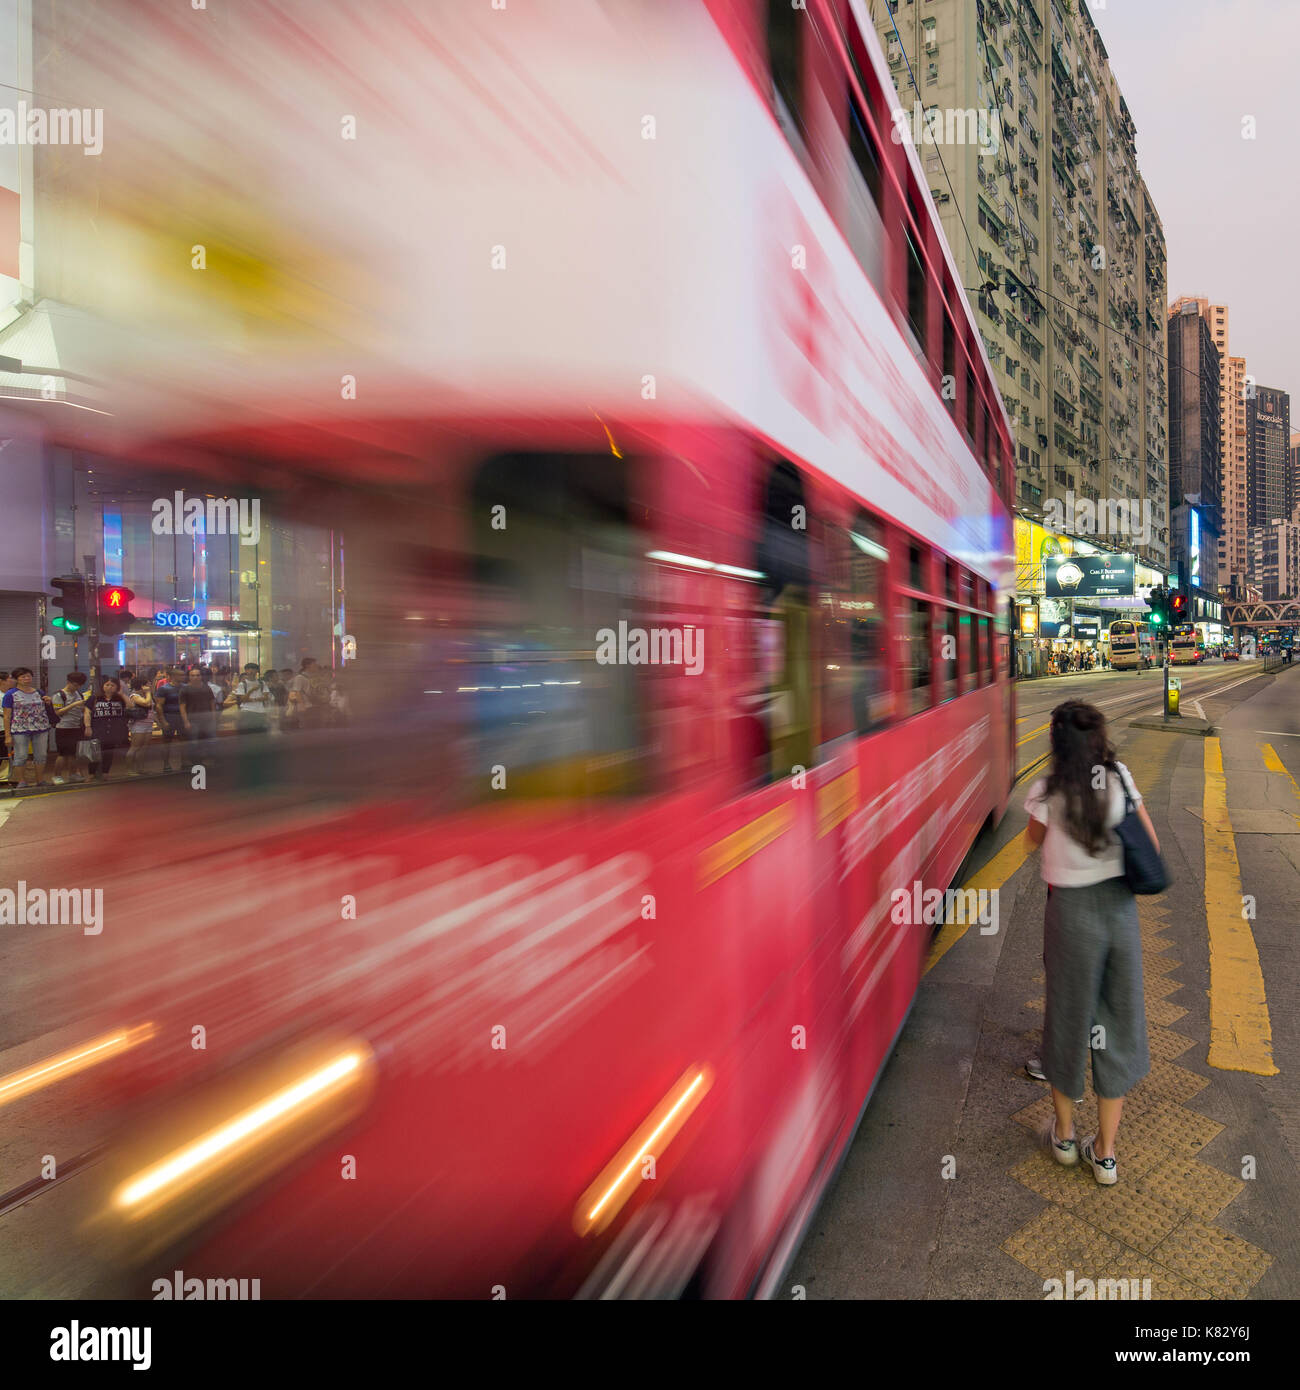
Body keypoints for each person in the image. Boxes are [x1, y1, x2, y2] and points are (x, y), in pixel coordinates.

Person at [1022, 700, 1156, 1185]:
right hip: (1119, 914)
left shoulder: (1046, 789)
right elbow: (1152, 848)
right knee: (1115, 1023)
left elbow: (1031, 843)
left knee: (1066, 1019)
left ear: (1057, 742)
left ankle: (1062, 1137)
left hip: (1070, 916)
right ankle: (1104, 1154)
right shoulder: (1119, 778)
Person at [2, 667, 55, 790]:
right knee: (21, 756)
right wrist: (8, 735)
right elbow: (6, 716)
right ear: (17, 679)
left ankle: (40, 780)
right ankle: (21, 781)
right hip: (19, 730)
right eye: (23, 676)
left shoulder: (39, 692)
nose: (26, 679)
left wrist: (48, 702)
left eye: (28, 676)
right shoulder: (11, 694)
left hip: (41, 728)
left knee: (41, 755)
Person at [84, 676, 130, 780]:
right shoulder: (95, 698)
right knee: (95, 752)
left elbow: (130, 706)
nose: (109, 687)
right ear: (102, 686)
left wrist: (122, 694)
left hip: (114, 729)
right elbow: (87, 712)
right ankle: (91, 774)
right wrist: (88, 726)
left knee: (109, 752)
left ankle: (105, 772)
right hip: (98, 728)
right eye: (107, 685)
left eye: (112, 685)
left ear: (117, 687)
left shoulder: (119, 699)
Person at [50, 670, 91, 784]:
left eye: (79, 685)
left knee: (74, 754)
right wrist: (73, 704)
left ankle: (73, 774)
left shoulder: (79, 694)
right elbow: (58, 712)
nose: (76, 687)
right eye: (75, 684)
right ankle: (57, 776)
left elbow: (83, 710)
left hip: (76, 727)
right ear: (68, 682)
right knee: (63, 754)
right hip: (63, 728)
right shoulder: (59, 695)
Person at [179, 666, 218, 762]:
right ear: (189, 677)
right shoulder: (185, 689)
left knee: (211, 741)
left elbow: (212, 703)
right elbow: (182, 707)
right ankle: (195, 762)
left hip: (207, 720)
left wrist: (213, 717)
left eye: (197, 675)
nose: (195, 677)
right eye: (192, 675)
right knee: (194, 742)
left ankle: (210, 760)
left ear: (201, 676)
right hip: (193, 720)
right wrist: (186, 722)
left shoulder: (206, 688)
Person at [153, 668, 186, 772]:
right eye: (180, 675)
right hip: (169, 716)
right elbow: (159, 706)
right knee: (167, 742)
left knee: (184, 741)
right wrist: (162, 720)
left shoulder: (185, 687)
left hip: (182, 717)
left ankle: (184, 762)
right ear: (173, 676)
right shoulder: (164, 689)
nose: (183, 677)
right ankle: (166, 764)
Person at [124, 674, 156, 775]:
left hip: (148, 723)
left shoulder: (146, 694)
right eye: (148, 684)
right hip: (138, 725)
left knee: (144, 748)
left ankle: (140, 768)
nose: (150, 685)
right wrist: (148, 692)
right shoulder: (134, 696)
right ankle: (129, 769)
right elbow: (146, 703)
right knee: (135, 747)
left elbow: (152, 708)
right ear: (142, 685)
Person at [231, 661, 273, 735]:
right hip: (247, 712)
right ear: (245, 671)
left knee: (260, 733)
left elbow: (266, 697)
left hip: (260, 711)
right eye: (248, 669)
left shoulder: (262, 683)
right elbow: (242, 700)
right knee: (248, 733)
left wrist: (251, 699)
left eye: (253, 669)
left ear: (257, 671)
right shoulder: (242, 684)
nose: (250, 671)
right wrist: (252, 690)